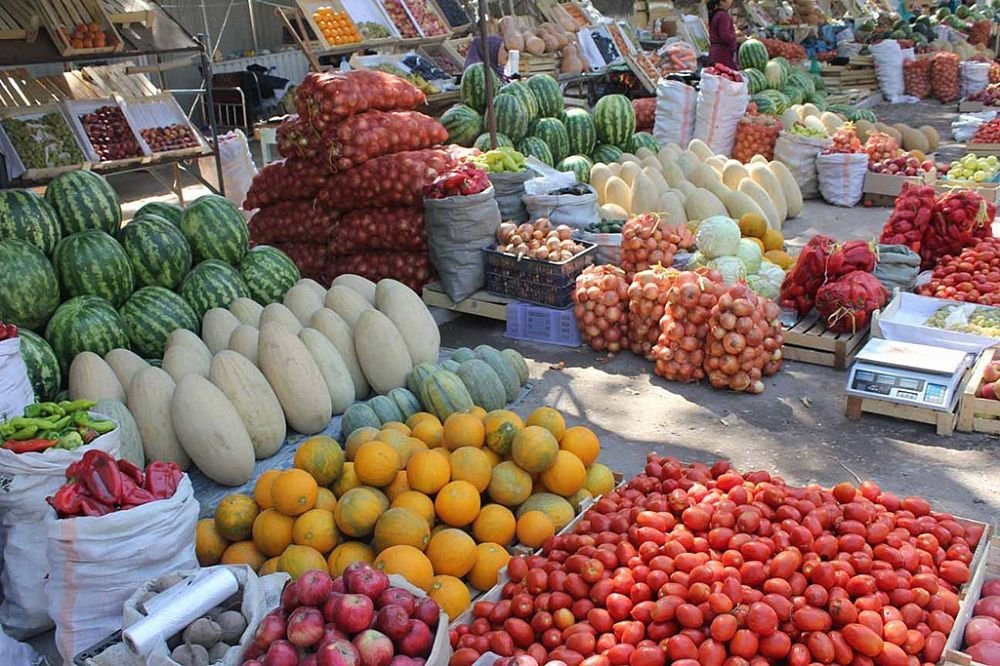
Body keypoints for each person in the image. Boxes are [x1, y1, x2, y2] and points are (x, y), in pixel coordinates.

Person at [707, 0, 738, 69]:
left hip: (715, 54)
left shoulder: (716, 14)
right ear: (721, 2)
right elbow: (725, 36)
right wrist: (736, 38)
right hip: (723, 55)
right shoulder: (723, 15)